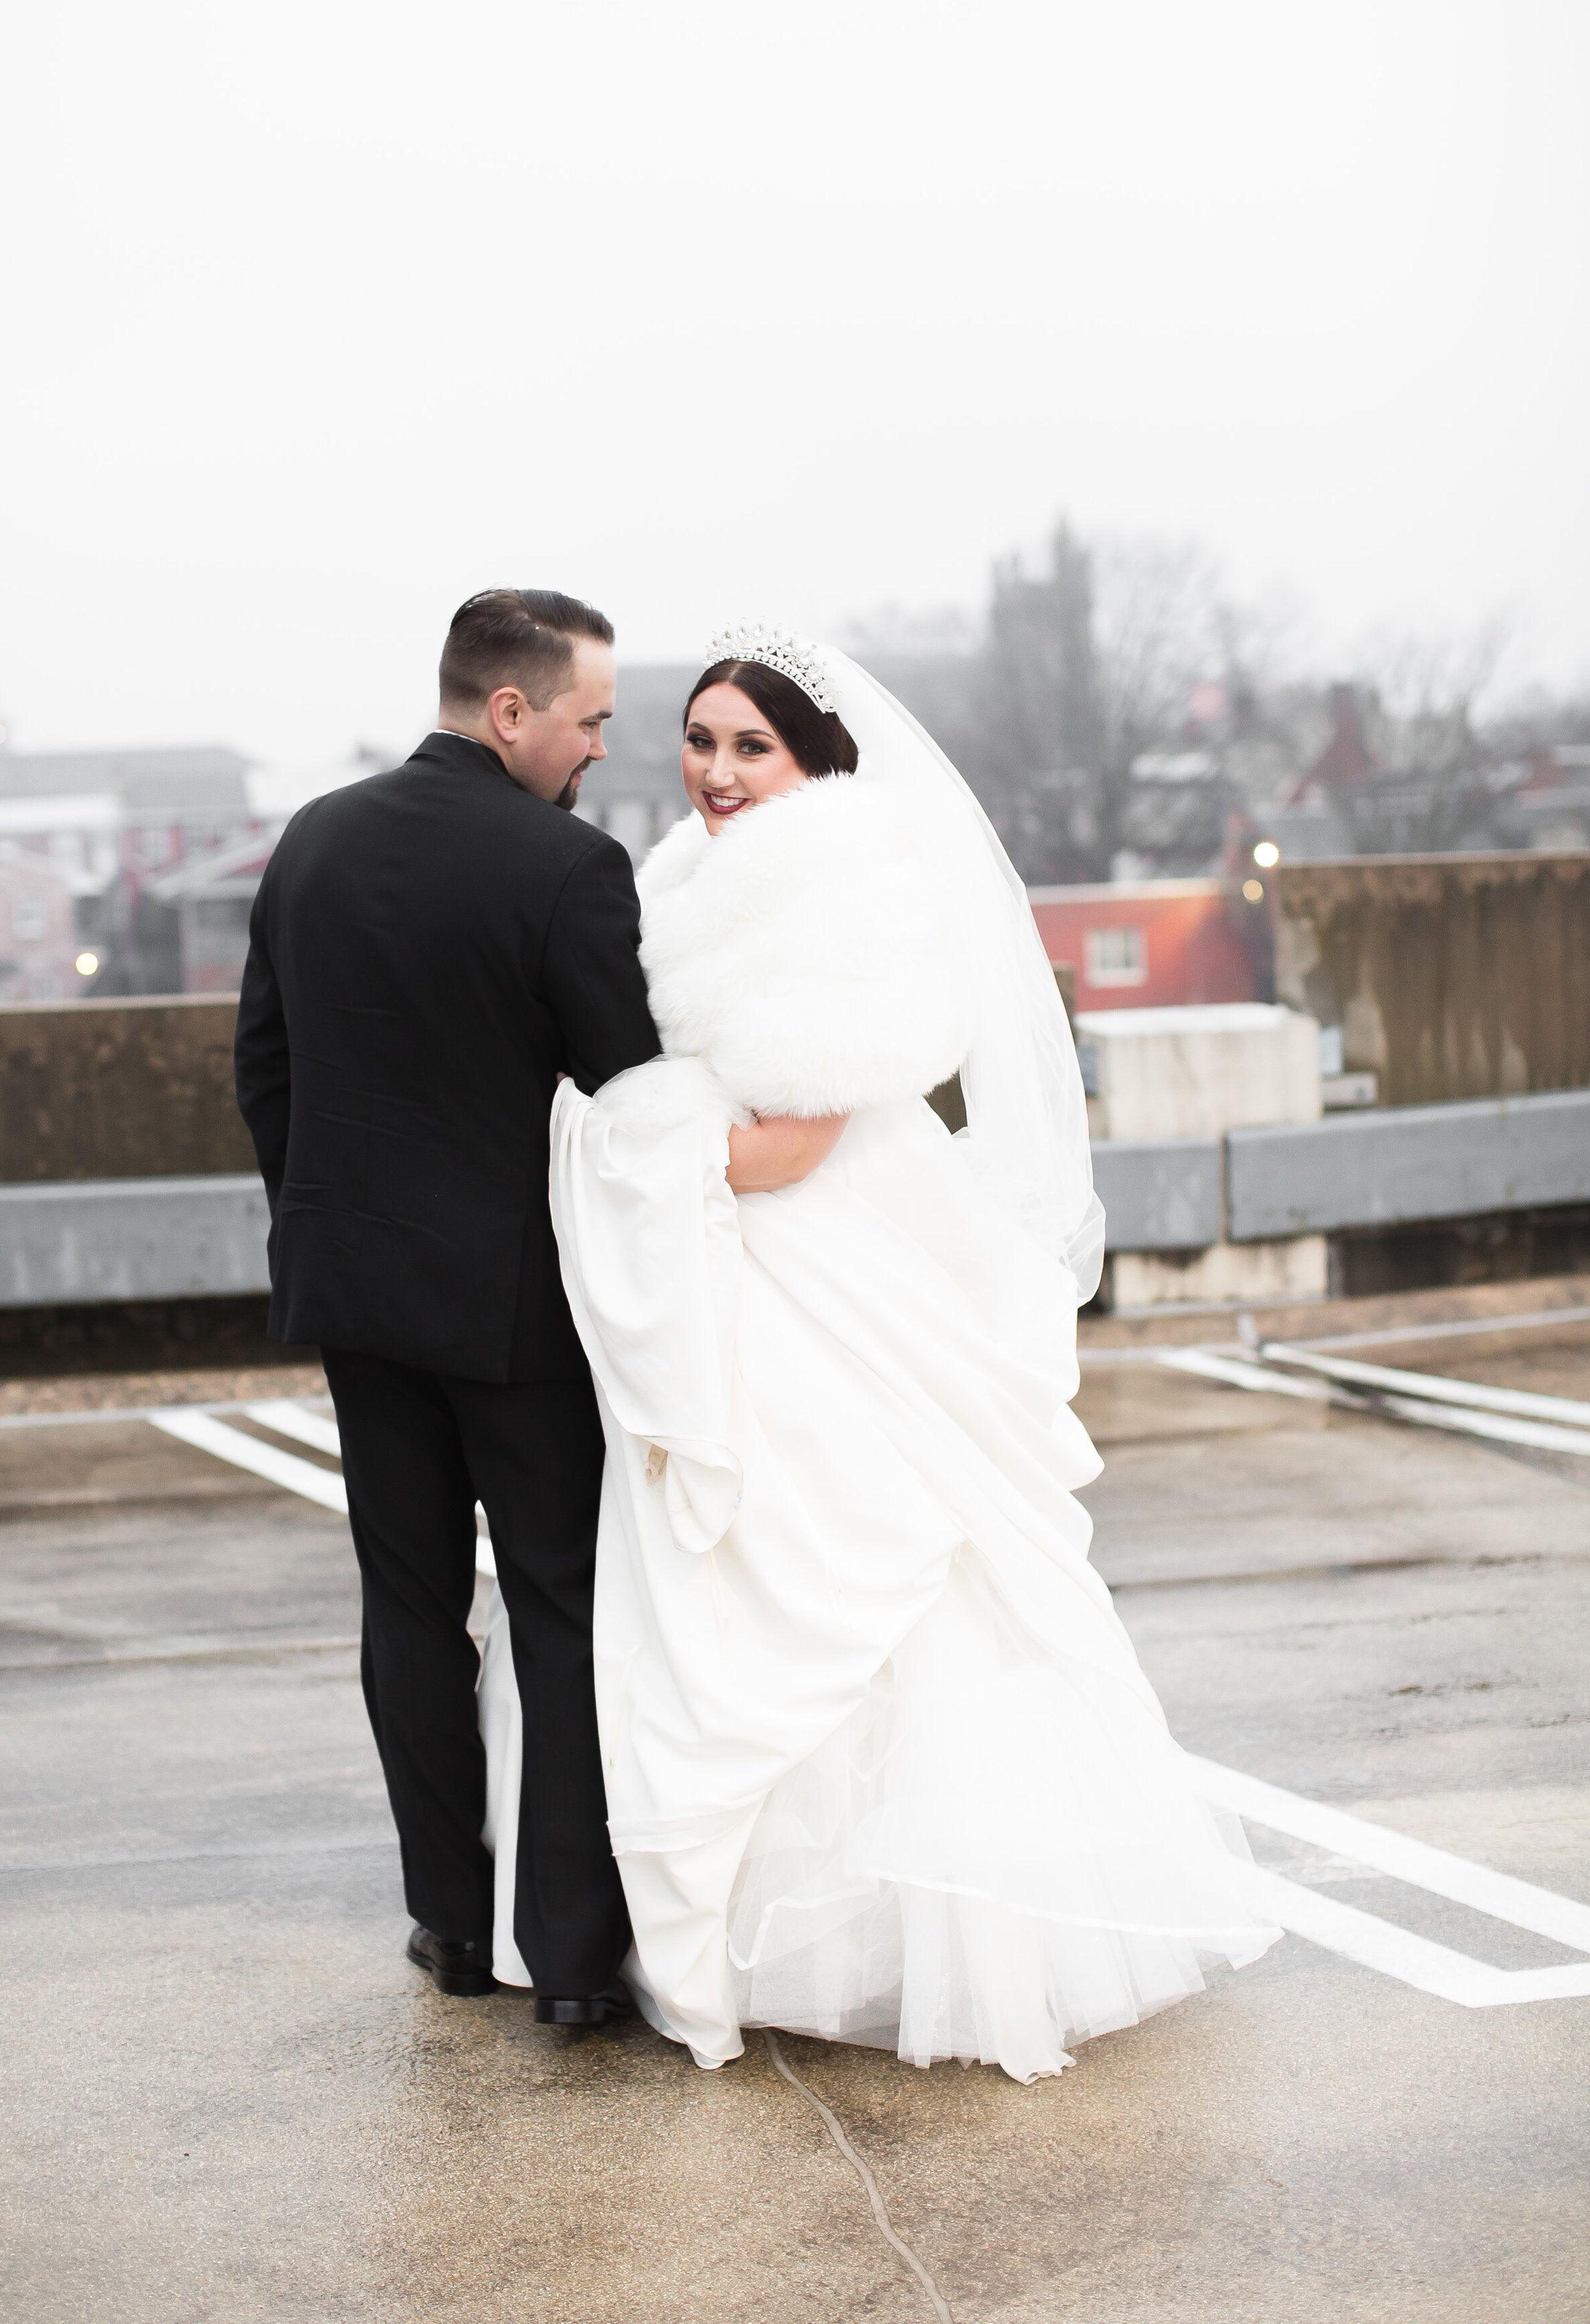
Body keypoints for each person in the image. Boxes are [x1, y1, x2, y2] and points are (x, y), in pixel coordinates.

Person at [486, 626, 1282, 2082]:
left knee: (872, 1570)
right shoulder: (678, 873)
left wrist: (604, 1135)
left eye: (753, 746)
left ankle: (908, 1939)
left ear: (817, 762)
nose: (718, 771)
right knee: (740, 1593)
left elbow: (788, 1149)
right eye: (702, 739)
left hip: (828, 1269)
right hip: (733, 1273)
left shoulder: (848, 890)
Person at [234, 588, 660, 2025]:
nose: (599, 748)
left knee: (408, 1606)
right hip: (516, 1311)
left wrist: (331, 1222)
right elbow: (631, 1099)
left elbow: (265, 1068)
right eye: (589, 720)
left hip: (357, 1297)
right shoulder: (571, 868)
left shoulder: (312, 840)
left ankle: (453, 1924)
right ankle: (574, 1964)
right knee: (561, 1609)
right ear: (510, 709)